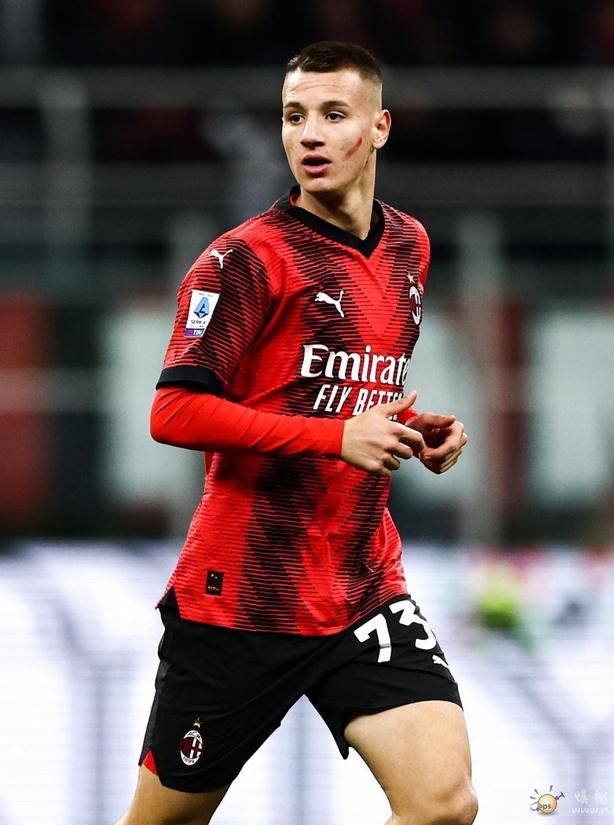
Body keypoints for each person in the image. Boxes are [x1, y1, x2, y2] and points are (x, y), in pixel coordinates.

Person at [118, 41, 477, 825]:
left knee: (444, 804)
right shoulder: (243, 261)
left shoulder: (409, 246)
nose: (309, 134)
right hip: (241, 600)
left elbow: (342, 389)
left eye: (333, 114)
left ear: (379, 127)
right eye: (293, 116)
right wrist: (335, 438)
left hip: (361, 586)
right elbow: (172, 411)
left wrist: (410, 430)